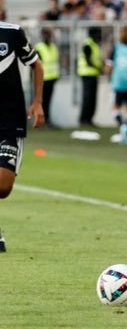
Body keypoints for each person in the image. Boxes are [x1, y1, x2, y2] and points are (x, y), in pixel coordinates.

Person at [0, 21, 45, 252]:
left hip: (9, 121)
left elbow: (37, 65)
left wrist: (37, 102)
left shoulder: (12, 32)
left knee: (3, 187)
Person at [77, 27, 103, 127]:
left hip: (93, 74)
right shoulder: (88, 44)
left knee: (92, 98)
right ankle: (84, 119)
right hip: (86, 74)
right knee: (87, 98)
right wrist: (99, 68)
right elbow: (88, 60)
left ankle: (89, 119)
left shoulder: (95, 44)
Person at [35, 28, 60, 127]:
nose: (48, 37)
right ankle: (41, 121)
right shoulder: (39, 47)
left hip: (52, 78)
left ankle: (47, 120)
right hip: (42, 79)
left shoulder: (53, 47)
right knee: (42, 101)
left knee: (48, 101)